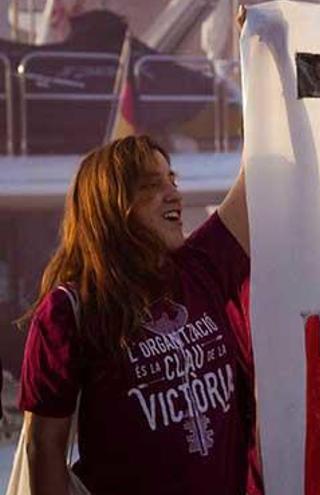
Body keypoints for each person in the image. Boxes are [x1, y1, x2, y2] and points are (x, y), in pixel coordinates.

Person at [17, 135, 259, 495]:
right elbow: (45, 447)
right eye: (151, 185)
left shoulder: (201, 268)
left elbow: (258, 176)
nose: (174, 194)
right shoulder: (69, 311)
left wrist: (271, 86)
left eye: (172, 181)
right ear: (112, 207)